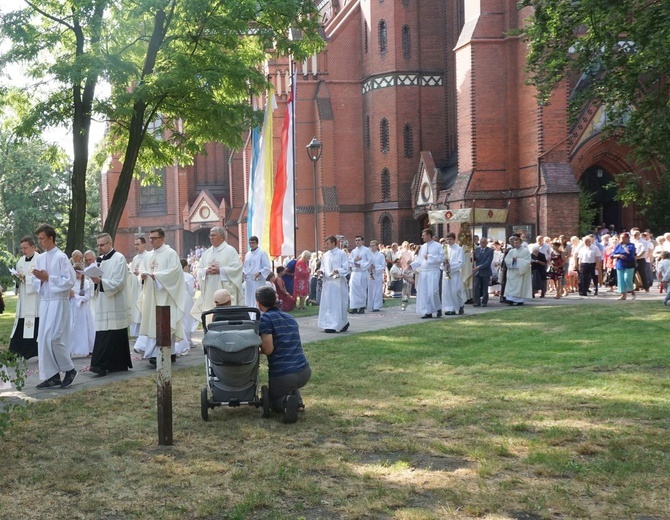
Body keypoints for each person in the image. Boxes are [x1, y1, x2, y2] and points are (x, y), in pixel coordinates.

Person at [31, 223, 78, 389]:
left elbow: (70, 280)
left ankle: (70, 369)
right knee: (43, 339)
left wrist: (49, 278)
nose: (40, 242)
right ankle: (52, 376)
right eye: (38, 239)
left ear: (51, 238)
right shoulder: (40, 258)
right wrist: (39, 278)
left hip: (59, 301)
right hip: (46, 302)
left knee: (54, 338)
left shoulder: (61, 257)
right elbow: (35, 280)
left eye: (42, 239)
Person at [256, 286, 311, 424]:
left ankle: (285, 402)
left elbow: (268, 349)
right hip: (304, 371)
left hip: (283, 374)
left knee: (274, 402)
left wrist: (255, 351)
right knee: (290, 382)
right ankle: (297, 402)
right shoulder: (289, 317)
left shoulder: (265, 319)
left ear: (258, 303)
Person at [138, 228, 186, 365]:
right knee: (153, 322)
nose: (151, 240)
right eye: (150, 238)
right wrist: (142, 276)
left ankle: (168, 353)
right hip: (152, 295)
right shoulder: (149, 255)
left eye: (154, 238)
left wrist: (157, 276)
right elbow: (142, 271)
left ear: (162, 239)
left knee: (165, 322)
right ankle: (155, 353)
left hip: (165, 294)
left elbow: (175, 273)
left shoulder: (170, 253)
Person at [89, 233, 133, 376]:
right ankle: (115, 365)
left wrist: (100, 282)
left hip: (115, 301)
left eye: (102, 244)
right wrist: (94, 281)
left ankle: (101, 365)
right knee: (104, 332)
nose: (99, 247)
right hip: (103, 302)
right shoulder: (99, 260)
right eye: (98, 245)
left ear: (110, 243)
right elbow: (95, 282)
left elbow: (119, 282)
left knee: (114, 333)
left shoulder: (119, 258)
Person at [192, 226, 243, 320]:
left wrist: (221, 270)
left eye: (214, 235)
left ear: (221, 237)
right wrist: (206, 271)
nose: (211, 238)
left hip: (225, 289)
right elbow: (199, 269)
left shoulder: (230, 251)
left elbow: (237, 268)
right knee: (210, 316)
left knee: (225, 318)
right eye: (210, 236)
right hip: (210, 291)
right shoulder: (207, 253)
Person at [9, 236, 41, 360]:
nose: (23, 250)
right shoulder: (20, 261)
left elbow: (39, 280)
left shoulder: (39, 259)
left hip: (35, 300)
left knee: (35, 323)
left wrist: (25, 279)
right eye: (21, 248)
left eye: (25, 248)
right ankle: (18, 351)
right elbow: (17, 280)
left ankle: (33, 351)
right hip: (23, 298)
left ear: (32, 247)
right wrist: (17, 281)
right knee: (22, 323)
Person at [317, 235, 350, 333]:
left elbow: (346, 268)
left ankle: (338, 323)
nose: (326, 245)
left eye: (328, 243)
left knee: (338, 304)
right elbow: (323, 267)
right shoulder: (325, 255)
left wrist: (338, 271)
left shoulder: (341, 254)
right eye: (325, 243)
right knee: (328, 304)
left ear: (334, 243)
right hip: (328, 283)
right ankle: (329, 323)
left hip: (337, 283)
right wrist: (321, 272)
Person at [410, 228, 444, 318]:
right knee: (425, 292)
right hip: (424, 272)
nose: (422, 237)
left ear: (429, 235)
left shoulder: (438, 246)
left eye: (424, 235)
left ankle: (438, 308)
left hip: (433, 271)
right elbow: (419, 260)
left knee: (433, 291)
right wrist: (412, 265)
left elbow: (441, 258)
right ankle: (428, 311)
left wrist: (429, 257)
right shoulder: (423, 247)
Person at [68, 263, 95, 357]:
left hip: (82, 310)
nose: (77, 275)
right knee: (71, 328)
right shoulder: (71, 282)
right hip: (72, 308)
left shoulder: (86, 283)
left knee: (85, 328)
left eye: (78, 273)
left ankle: (89, 349)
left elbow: (87, 297)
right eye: (75, 273)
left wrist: (75, 296)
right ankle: (70, 349)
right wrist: (70, 296)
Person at [175, 258, 197, 356]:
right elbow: (191, 290)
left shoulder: (175, 276)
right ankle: (187, 339)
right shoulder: (188, 276)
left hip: (178, 298)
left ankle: (183, 339)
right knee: (188, 318)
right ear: (185, 266)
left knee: (181, 318)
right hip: (187, 297)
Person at [242, 236, 272, 308]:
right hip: (248, 280)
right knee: (248, 298)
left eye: (253, 243)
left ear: (257, 243)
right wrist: (243, 272)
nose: (251, 244)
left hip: (257, 279)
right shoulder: (248, 254)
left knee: (256, 297)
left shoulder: (262, 253)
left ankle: (257, 313)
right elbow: (245, 266)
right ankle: (249, 314)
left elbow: (267, 266)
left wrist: (260, 272)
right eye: (250, 243)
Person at [128, 236, 149, 338]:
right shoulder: (135, 258)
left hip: (144, 288)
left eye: (138, 244)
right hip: (135, 289)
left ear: (144, 245)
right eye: (135, 244)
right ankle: (136, 334)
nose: (136, 246)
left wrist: (140, 274)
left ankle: (144, 333)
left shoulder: (149, 256)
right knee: (135, 311)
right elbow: (132, 272)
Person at [503, 236, 532, 305]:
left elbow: (528, 262)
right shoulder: (511, 251)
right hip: (512, 271)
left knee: (520, 286)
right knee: (511, 286)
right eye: (514, 243)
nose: (515, 245)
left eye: (517, 243)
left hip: (520, 272)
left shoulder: (525, 251)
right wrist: (512, 261)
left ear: (520, 243)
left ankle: (519, 300)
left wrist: (518, 261)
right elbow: (507, 260)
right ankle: (510, 299)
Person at [348, 235, 372, 314]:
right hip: (355, 272)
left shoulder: (366, 250)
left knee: (362, 289)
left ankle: (361, 307)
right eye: (356, 240)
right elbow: (349, 260)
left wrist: (361, 264)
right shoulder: (353, 251)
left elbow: (370, 261)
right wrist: (354, 260)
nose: (357, 242)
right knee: (353, 290)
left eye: (359, 240)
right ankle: (354, 307)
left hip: (362, 272)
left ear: (362, 241)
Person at [442, 232, 464, 315]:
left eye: (450, 239)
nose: (449, 241)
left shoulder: (458, 249)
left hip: (454, 273)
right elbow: (440, 260)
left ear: (454, 239)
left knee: (455, 291)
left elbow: (461, 262)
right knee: (447, 291)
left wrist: (450, 266)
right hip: (446, 273)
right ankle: (450, 308)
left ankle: (460, 305)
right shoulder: (444, 248)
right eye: (447, 239)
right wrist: (444, 265)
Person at [612, 232, 637, 300]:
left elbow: (629, 253)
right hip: (620, 264)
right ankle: (623, 295)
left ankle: (632, 291)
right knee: (621, 280)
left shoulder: (631, 245)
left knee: (627, 278)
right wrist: (618, 255)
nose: (622, 239)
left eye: (623, 238)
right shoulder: (618, 246)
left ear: (627, 238)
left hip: (629, 264)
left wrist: (623, 248)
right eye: (621, 238)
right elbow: (612, 254)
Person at [473, 237, 494, 307]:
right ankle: (477, 301)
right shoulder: (477, 249)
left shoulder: (490, 251)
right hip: (477, 272)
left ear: (486, 243)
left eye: (484, 242)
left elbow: (488, 262)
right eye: (481, 242)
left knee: (485, 287)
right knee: (476, 286)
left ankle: (484, 302)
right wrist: (472, 256)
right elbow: (475, 259)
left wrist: (478, 267)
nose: (482, 244)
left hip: (485, 271)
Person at [367, 240, 386, 312]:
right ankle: (370, 305)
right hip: (370, 275)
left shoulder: (380, 255)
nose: (371, 247)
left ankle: (376, 306)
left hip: (377, 275)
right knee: (371, 290)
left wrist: (375, 267)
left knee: (377, 290)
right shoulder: (369, 255)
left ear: (377, 246)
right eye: (370, 245)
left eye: (373, 245)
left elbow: (383, 265)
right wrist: (369, 266)